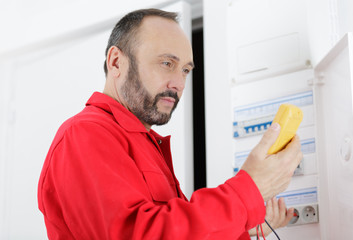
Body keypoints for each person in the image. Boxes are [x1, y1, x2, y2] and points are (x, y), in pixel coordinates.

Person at [38, 8, 302, 240]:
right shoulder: (85, 134)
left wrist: (246, 228)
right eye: (167, 63)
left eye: (185, 70)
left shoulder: (144, 141)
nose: (179, 83)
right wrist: (249, 189)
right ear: (116, 62)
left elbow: (176, 232)